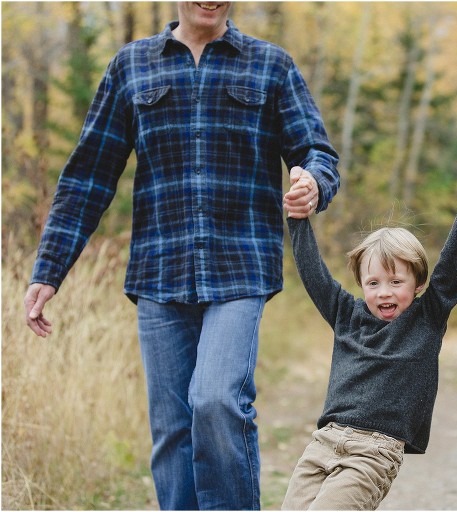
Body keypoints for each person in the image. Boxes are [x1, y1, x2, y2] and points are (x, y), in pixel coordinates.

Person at [23, 2, 339, 509]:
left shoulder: (270, 64)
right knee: (172, 432)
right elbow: (88, 175)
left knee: (215, 401)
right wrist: (49, 269)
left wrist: (313, 184)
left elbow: (317, 153)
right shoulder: (132, 65)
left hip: (242, 266)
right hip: (159, 269)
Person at [280, 165, 457, 510]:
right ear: (361, 284)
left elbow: (454, 260)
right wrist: (297, 217)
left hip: (373, 452)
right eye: (373, 283)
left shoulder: (427, 319)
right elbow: (312, 271)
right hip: (323, 443)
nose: (383, 292)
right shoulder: (347, 315)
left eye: (396, 281)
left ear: (418, 283)